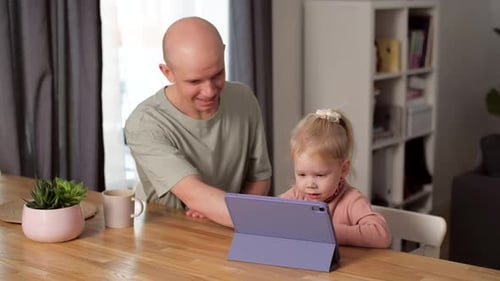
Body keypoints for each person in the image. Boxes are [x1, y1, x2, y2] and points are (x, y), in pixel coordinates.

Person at [124, 16, 272, 228]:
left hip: (232, 229)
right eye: (194, 81)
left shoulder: (244, 99)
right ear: (167, 72)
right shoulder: (144, 123)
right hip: (169, 239)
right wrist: (278, 223)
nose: (210, 91)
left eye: (217, 74)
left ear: (223, 53)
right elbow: (196, 196)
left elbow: (258, 178)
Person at [279, 109, 391, 248]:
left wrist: (330, 232)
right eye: (302, 174)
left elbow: (381, 235)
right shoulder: (296, 195)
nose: (310, 184)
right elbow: (271, 215)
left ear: (343, 169)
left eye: (320, 175)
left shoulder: (352, 200)